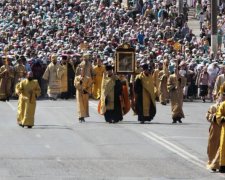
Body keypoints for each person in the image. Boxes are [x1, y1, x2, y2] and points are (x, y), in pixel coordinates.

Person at [205, 83, 225, 171]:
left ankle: (218, 164)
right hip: (215, 130)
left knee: (222, 148)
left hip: (223, 130)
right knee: (213, 147)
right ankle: (212, 162)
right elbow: (207, 115)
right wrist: (214, 117)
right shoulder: (214, 107)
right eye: (222, 96)